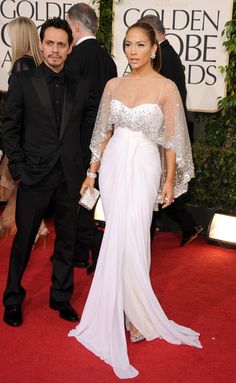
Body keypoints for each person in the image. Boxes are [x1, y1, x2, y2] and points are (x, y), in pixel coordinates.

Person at [68, 22, 202, 379]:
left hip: (144, 166)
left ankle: (137, 314)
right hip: (112, 167)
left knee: (137, 236)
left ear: (154, 48)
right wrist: (92, 172)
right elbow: (102, 133)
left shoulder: (166, 87)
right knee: (116, 235)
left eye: (140, 44)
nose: (132, 51)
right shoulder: (114, 84)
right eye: (128, 44)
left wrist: (169, 180)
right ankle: (122, 310)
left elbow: (172, 141)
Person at [2, 17, 96, 327]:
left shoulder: (82, 85)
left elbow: (88, 130)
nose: (55, 50)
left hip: (70, 177)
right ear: (41, 45)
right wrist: (18, 168)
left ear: (70, 48)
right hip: (34, 175)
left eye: (61, 44)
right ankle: (13, 298)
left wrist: (84, 168)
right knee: (24, 239)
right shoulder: (23, 82)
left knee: (67, 241)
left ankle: (60, 296)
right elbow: (9, 127)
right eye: (50, 43)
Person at [139, 15, 203, 245]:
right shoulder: (168, 55)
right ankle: (186, 226)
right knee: (161, 185)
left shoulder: (164, 58)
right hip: (164, 131)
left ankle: (147, 238)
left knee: (159, 184)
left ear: (152, 35)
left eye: (142, 39)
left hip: (163, 133)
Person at [65, 3, 117, 273]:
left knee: (77, 196)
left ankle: (92, 247)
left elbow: (69, 105)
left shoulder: (74, 59)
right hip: (105, 140)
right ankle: (79, 252)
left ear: (74, 25)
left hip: (78, 139)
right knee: (88, 196)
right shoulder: (108, 59)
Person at [0, 17, 49, 243]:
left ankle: (36, 229)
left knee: (19, 187)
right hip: (35, 139)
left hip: (21, 138)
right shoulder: (39, 64)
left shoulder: (21, 64)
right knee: (22, 190)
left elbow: (15, 112)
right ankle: (34, 228)